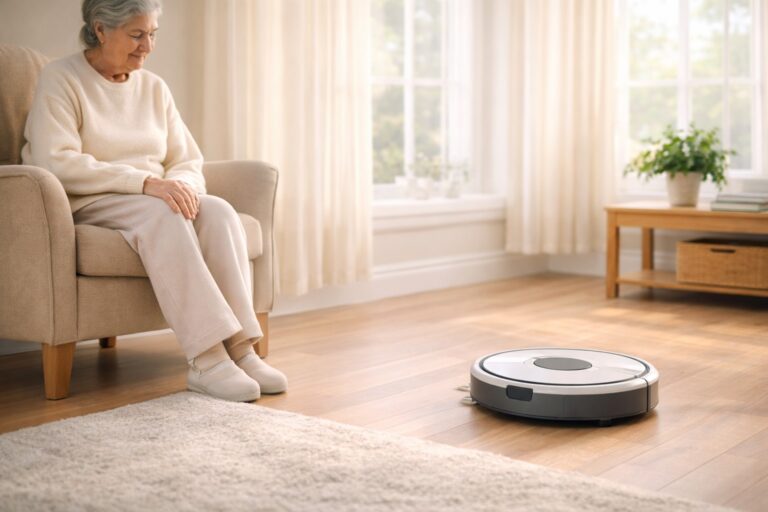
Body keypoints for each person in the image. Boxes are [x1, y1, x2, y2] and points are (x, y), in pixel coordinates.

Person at [22, 0, 286, 402]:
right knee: (163, 213)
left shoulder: (154, 87)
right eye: (136, 34)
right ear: (100, 29)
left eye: (153, 34)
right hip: (91, 199)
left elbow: (186, 159)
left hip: (151, 195)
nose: (147, 46)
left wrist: (180, 186)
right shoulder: (61, 78)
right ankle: (206, 358)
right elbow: (54, 160)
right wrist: (145, 182)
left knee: (217, 211)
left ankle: (241, 350)